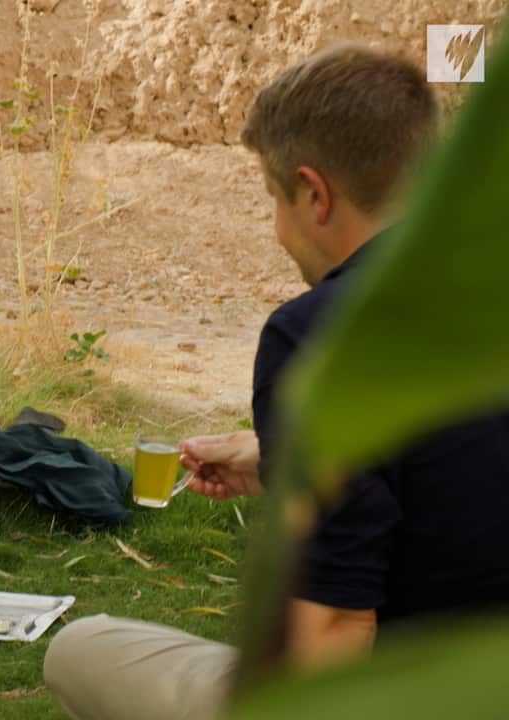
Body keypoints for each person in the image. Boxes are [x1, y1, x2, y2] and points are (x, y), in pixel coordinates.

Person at [44, 45, 509, 719]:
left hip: (405, 696)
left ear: (315, 194)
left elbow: (340, 629)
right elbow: (457, 460)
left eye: (273, 197)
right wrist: (279, 460)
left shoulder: (317, 334)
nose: (276, 228)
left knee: (80, 649)